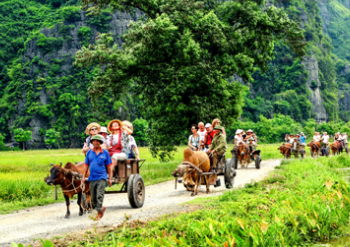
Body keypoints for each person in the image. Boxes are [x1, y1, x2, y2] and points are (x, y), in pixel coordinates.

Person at [81, 135, 112, 221]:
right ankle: (101, 208)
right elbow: (86, 166)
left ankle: (99, 214)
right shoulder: (89, 153)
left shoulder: (105, 153)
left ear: (100, 143)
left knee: (99, 195)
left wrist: (109, 178)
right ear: (92, 143)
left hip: (102, 177)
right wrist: (83, 177)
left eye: (97, 141)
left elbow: (109, 166)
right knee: (93, 198)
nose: (95, 142)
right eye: (93, 141)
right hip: (92, 178)